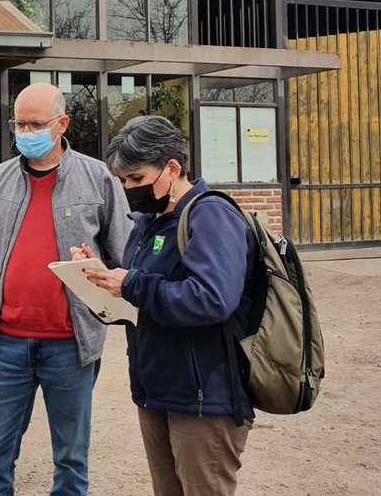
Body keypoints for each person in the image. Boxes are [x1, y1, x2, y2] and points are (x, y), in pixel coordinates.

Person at [75, 115, 255, 496]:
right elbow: (142, 301)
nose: (129, 189)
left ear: (172, 168)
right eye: (123, 181)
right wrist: (99, 280)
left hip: (204, 398)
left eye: (137, 179)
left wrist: (134, 283)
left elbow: (212, 299)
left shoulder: (211, 214)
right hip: (156, 390)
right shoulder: (147, 223)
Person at [0, 82, 132, 496]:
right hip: (7, 342)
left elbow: (125, 258)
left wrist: (95, 268)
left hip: (71, 345)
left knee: (71, 458)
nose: (26, 133)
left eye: (36, 124)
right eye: (20, 124)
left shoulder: (98, 177)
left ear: (62, 124)